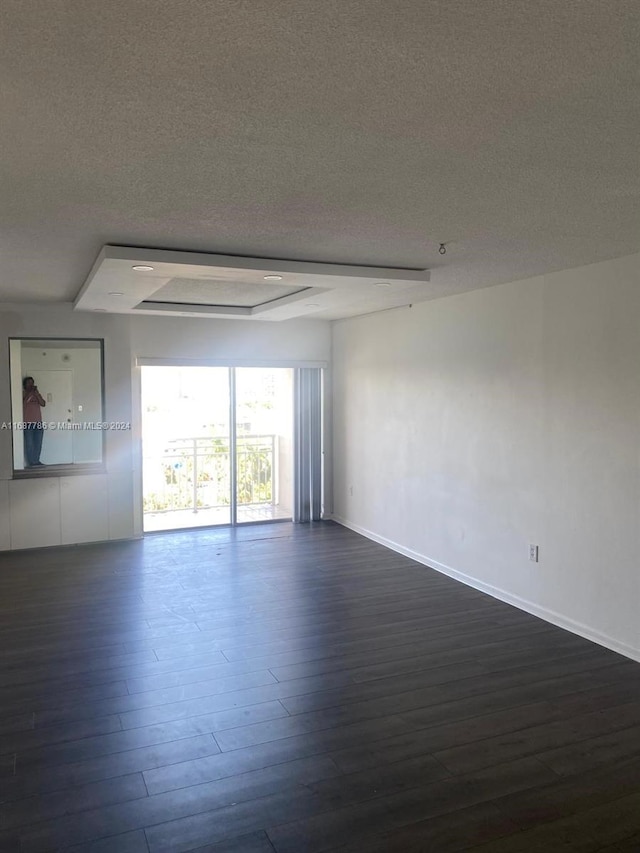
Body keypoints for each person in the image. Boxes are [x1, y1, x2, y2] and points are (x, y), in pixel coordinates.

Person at [22, 376, 46, 466]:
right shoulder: (23, 394)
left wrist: (36, 393)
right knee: (29, 444)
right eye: (28, 383)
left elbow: (43, 404)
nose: (31, 384)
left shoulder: (37, 394)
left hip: (38, 422)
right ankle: (31, 462)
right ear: (25, 385)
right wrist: (29, 393)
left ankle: (36, 461)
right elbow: (23, 405)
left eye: (32, 382)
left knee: (38, 443)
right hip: (27, 423)